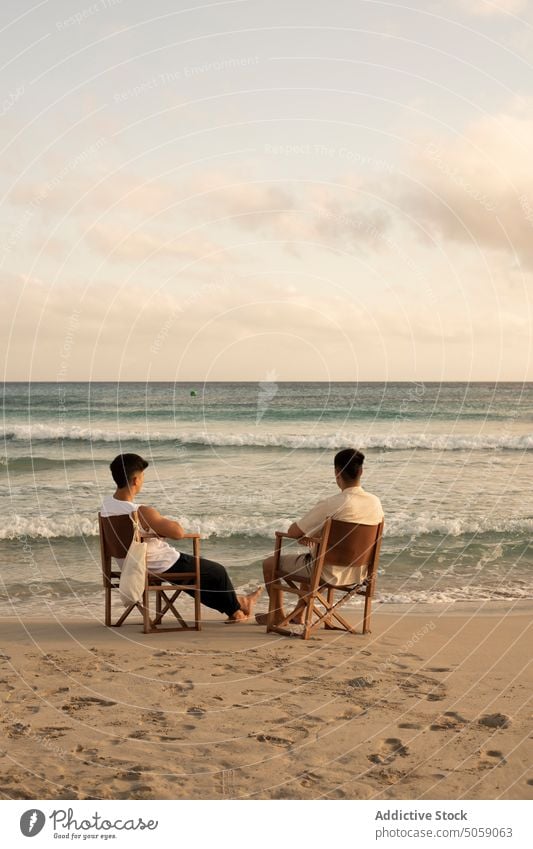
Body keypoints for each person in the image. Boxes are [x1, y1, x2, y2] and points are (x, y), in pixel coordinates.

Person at [101, 453, 262, 623]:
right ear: (135, 480)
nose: (142, 481)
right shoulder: (140, 511)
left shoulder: (106, 508)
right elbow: (178, 533)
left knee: (198, 577)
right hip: (160, 564)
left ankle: (240, 604)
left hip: (131, 566)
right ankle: (237, 610)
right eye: (142, 477)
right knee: (217, 572)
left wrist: (152, 531)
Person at [257, 448, 384, 626]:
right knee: (313, 558)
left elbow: (294, 532)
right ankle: (299, 614)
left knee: (270, 564)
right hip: (359, 573)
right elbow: (350, 534)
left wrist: (306, 533)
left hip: (326, 573)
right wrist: (314, 535)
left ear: (337, 473)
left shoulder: (332, 503)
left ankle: (277, 615)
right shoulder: (375, 502)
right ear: (361, 471)